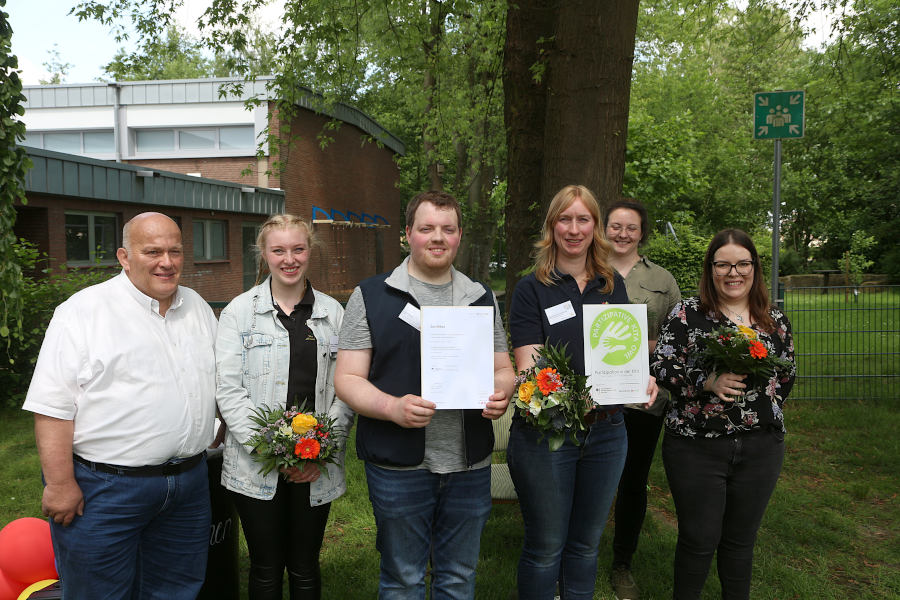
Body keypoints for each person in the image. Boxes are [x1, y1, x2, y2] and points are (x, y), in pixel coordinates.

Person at [23, 212, 218, 599]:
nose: (167, 261)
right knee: (99, 592)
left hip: (189, 485)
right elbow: (52, 406)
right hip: (105, 490)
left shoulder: (196, 306)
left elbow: (217, 381)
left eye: (175, 251)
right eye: (153, 251)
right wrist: (60, 484)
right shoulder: (82, 313)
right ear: (124, 257)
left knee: (176, 590)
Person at [334, 190, 515, 599]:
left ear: (459, 236)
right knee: (403, 579)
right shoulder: (372, 295)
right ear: (408, 235)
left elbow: (503, 368)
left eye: (448, 229)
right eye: (427, 228)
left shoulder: (480, 297)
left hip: (469, 463)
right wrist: (391, 406)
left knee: (458, 577)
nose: (438, 237)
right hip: (399, 465)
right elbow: (346, 378)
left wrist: (502, 390)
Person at [507, 185, 658, 600]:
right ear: (552, 226)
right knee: (545, 548)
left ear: (596, 227)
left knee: (586, 546)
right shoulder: (531, 289)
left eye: (583, 219)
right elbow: (531, 372)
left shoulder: (612, 285)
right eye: (565, 219)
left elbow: (625, 350)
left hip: (608, 433)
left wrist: (640, 376)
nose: (574, 229)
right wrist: (576, 399)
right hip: (548, 436)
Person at [651, 229, 795, 600]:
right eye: (724, 264)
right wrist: (706, 382)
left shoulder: (773, 320)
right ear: (711, 269)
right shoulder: (686, 314)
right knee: (698, 539)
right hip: (696, 447)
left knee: (740, 542)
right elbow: (663, 368)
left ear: (754, 267)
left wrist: (759, 410)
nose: (734, 272)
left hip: (760, 448)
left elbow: (787, 375)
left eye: (742, 263)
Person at [215, 214, 352, 599]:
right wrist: (270, 450)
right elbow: (228, 390)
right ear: (263, 254)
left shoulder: (334, 315)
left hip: (316, 464)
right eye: (278, 250)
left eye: (298, 249)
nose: (289, 259)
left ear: (310, 252)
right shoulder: (239, 313)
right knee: (265, 567)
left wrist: (321, 453)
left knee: (305, 565)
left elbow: (347, 390)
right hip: (256, 463)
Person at [604, 199, 681, 600]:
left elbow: (675, 341)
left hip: (642, 395)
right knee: (584, 476)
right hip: (593, 394)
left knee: (633, 480)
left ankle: (622, 562)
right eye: (615, 226)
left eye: (630, 228)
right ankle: (570, 557)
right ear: (604, 229)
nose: (622, 234)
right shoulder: (585, 271)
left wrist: (645, 342)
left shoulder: (663, 280)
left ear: (641, 233)